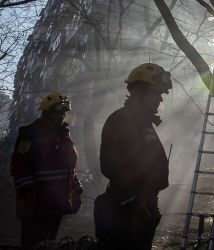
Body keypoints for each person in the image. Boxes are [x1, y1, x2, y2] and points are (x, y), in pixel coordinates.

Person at [94, 63, 172, 250]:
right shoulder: (123, 120)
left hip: (142, 208)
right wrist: (136, 204)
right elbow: (113, 166)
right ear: (140, 91)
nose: (160, 99)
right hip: (126, 211)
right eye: (157, 93)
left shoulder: (143, 122)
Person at [11, 91, 83, 250]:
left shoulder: (64, 136)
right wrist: (31, 195)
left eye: (64, 112)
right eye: (58, 111)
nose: (62, 116)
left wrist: (77, 190)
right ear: (47, 111)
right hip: (36, 207)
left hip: (56, 205)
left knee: (49, 245)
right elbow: (20, 168)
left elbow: (69, 168)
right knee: (32, 245)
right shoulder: (30, 133)